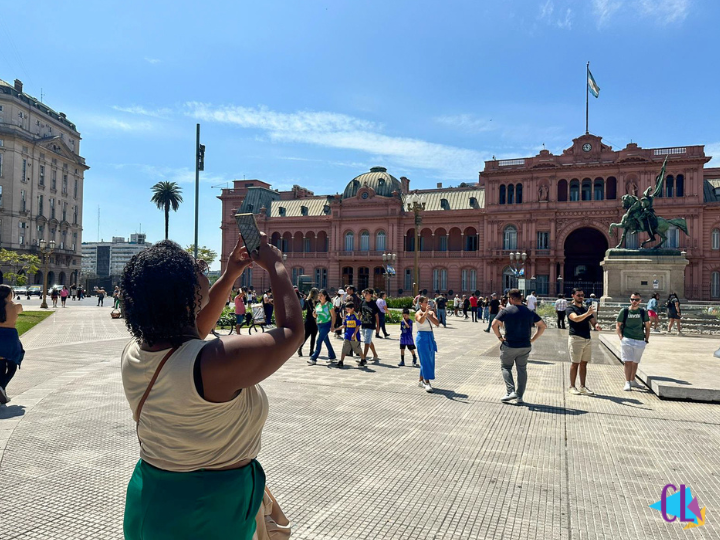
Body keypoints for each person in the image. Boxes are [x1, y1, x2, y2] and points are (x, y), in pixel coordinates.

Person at [120, 234, 303, 539]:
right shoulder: (212, 363)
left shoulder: (139, 350)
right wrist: (276, 266)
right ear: (187, 293)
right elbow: (292, 332)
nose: (206, 272)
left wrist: (231, 273)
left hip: (153, 496)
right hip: (206, 511)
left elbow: (195, 331)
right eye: (201, 270)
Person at [492, 289, 546, 404]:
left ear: (511, 299)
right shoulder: (529, 311)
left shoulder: (506, 311)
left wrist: (500, 338)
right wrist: (533, 339)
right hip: (525, 345)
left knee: (506, 367)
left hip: (510, 345)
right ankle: (520, 396)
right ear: (521, 298)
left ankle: (510, 391)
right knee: (522, 369)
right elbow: (542, 326)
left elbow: (494, 324)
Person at [566, 288, 602, 396]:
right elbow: (575, 319)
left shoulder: (586, 308)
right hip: (576, 338)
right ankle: (572, 386)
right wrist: (587, 313)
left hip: (587, 338)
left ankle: (582, 386)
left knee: (584, 363)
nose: (581, 297)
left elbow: (592, 320)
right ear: (573, 296)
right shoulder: (570, 308)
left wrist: (596, 325)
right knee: (575, 363)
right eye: (578, 295)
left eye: (582, 295)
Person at [616, 292, 651, 391]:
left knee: (635, 362)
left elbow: (647, 327)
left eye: (636, 299)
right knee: (628, 361)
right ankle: (627, 381)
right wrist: (621, 337)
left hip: (640, 340)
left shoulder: (643, 312)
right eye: (632, 299)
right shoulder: (625, 311)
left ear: (640, 301)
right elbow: (618, 325)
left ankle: (633, 380)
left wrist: (646, 340)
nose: (634, 301)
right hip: (627, 339)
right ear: (630, 300)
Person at [0, 285, 25, 404]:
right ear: (9, 294)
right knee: (12, 365)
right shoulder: (15, 306)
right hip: (10, 337)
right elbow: (20, 310)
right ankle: (2, 388)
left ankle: (2, 393)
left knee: (0, 366)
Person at [415, 296, 439, 392]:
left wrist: (429, 315)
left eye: (428, 301)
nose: (428, 303)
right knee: (425, 360)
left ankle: (421, 380)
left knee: (429, 359)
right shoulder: (418, 313)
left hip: (430, 337)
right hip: (422, 338)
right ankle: (427, 382)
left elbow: (437, 323)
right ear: (421, 303)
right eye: (426, 302)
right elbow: (420, 321)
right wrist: (425, 314)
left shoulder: (431, 312)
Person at [308, 289, 336, 364]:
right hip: (319, 325)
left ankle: (313, 358)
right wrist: (314, 315)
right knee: (326, 341)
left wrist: (332, 326)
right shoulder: (318, 305)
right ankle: (332, 356)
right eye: (319, 296)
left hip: (326, 324)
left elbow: (333, 316)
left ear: (325, 296)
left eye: (321, 296)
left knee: (319, 340)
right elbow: (316, 315)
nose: (320, 297)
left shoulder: (329, 304)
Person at [339, 302, 365, 367]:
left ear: (352, 309)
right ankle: (341, 361)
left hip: (354, 336)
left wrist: (354, 334)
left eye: (348, 309)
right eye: (346, 309)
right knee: (344, 348)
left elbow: (358, 325)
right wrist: (337, 329)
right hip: (347, 335)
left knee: (357, 349)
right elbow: (344, 325)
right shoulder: (347, 315)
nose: (347, 311)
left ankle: (363, 359)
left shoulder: (356, 316)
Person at [360, 289, 381, 362]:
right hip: (363, 324)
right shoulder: (362, 302)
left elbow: (377, 316)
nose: (365, 294)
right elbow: (360, 313)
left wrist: (378, 326)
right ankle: (375, 355)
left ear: (371, 295)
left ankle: (363, 358)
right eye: (365, 293)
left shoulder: (373, 304)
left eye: (367, 293)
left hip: (370, 325)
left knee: (366, 341)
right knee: (368, 340)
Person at [298, 288, 319, 357]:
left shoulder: (307, 301)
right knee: (313, 337)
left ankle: (300, 348)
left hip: (308, 320)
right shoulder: (318, 302)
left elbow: (303, 308)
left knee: (305, 336)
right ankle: (311, 351)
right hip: (315, 320)